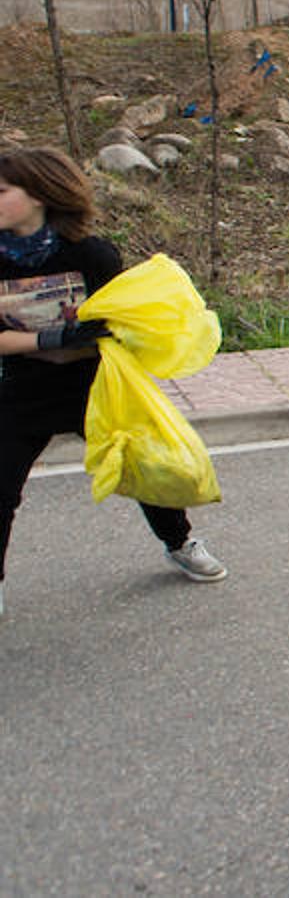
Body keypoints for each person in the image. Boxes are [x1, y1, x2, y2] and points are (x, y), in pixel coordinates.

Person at [0, 147, 227, 619]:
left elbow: (124, 324)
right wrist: (51, 335)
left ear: (40, 195)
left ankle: (180, 542)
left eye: (2, 192)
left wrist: (105, 333)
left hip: (94, 385)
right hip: (22, 391)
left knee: (145, 467)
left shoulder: (91, 254)